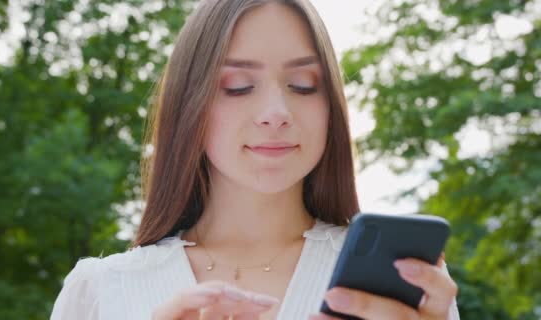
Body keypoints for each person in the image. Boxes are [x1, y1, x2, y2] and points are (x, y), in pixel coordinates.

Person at [50, 0, 460, 319]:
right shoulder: (101, 290)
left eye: (303, 85)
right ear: (189, 104)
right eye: (239, 86)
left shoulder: (402, 288)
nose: (276, 112)